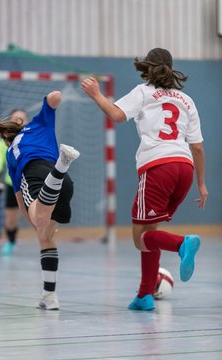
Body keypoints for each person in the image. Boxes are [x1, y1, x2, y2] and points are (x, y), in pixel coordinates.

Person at [81, 48, 208, 311]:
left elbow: (116, 115)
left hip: (158, 168)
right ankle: (144, 295)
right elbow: (197, 148)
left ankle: (182, 243)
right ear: (171, 69)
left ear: (148, 68)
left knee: (140, 238)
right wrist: (202, 184)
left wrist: (96, 95)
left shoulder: (143, 92)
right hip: (184, 169)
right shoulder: (187, 100)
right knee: (151, 231)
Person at [0, 91, 80, 310]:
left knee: (40, 224)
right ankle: (49, 296)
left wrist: (33, 221)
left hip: (37, 173)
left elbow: (20, 198)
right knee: (47, 237)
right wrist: (53, 99)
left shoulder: (11, 151)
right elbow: (55, 96)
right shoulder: (39, 124)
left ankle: (62, 166)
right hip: (63, 183)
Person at [0, 110, 28, 255]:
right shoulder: (3, 143)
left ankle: (45, 242)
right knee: (11, 219)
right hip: (13, 185)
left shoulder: (31, 139)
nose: (20, 121)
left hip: (31, 184)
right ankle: (11, 241)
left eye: (23, 119)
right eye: (17, 118)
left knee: (40, 215)